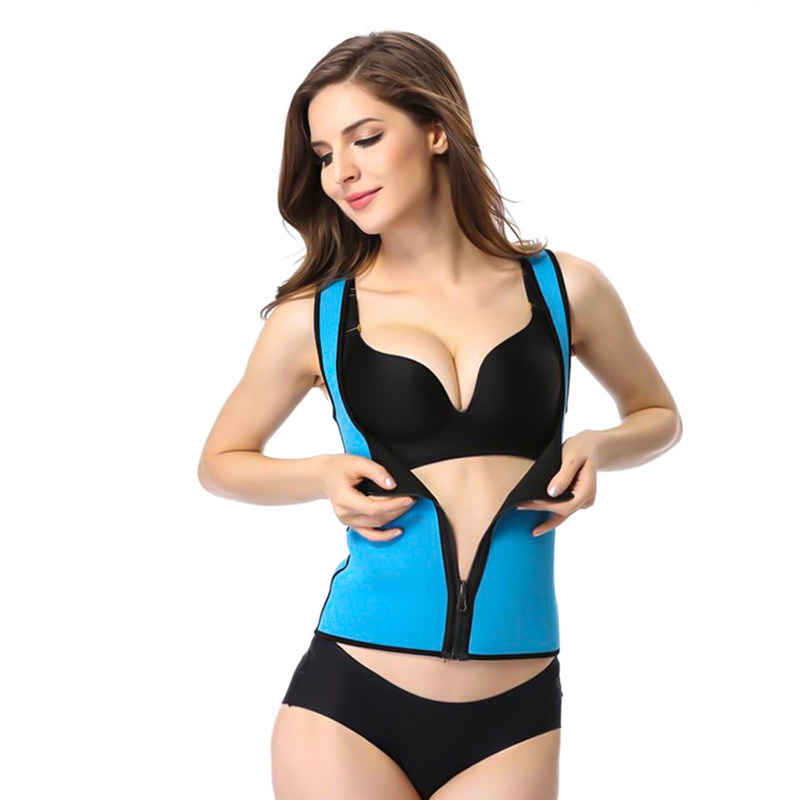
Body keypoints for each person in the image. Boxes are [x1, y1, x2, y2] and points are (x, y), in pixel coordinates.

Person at [197, 31, 682, 800]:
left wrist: (602, 444)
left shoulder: (565, 289)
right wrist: (320, 473)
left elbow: (658, 413)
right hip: (350, 701)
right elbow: (221, 461)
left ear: (436, 130)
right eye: (323, 154)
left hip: (517, 711)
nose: (341, 171)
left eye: (365, 138)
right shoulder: (315, 317)